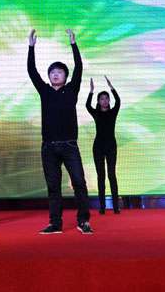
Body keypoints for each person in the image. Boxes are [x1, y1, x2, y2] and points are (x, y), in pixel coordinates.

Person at [28, 28, 93, 235]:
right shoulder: (44, 91)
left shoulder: (71, 90)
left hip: (69, 145)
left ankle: (83, 221)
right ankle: (55, 223)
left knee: (79, 183)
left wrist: (73, 43)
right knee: (53, 186)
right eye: (52, 72)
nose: (55, 74)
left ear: (65, 75)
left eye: (59, 72)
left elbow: (79, 67)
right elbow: (32, 71)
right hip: (48, 147)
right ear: (49, 76)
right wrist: (31, 47)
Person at [86, 76, 121, 215]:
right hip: (98, 148)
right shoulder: (96, 113)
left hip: (111, 147)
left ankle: (116, 206)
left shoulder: (113, 112)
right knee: (101, 176)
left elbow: (118, 101)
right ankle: (102, 207)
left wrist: (112, 88)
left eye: (107, 98)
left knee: (112, 175)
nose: (105, 101)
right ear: (98, 101)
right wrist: (91, 91)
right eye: (102, 99)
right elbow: (87, 106)